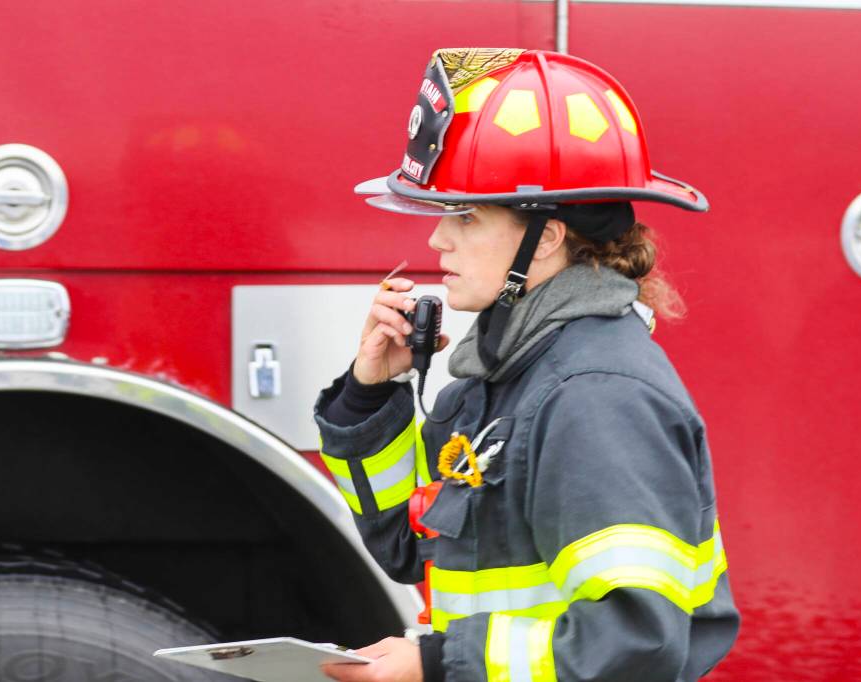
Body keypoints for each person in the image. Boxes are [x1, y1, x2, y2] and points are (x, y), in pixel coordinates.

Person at [314, 48, 738, 682]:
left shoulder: (595, 399)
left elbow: (635, 647)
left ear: (545, 237)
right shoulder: (503, 377)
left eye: (465, 215)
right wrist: (369, 397)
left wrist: (434, 665)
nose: (437, 240)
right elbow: (411, 547)